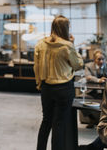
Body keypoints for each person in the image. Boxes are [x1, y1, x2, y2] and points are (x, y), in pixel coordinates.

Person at [34, 15, 84, 150]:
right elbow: (78, 64)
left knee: (46, 122)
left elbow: (36, 67)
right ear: (65, 28)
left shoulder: (40, 44)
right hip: (64, 88)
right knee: (59, 124)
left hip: (46, 87)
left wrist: (39, 84)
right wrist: (73, 44)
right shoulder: (67, 46)